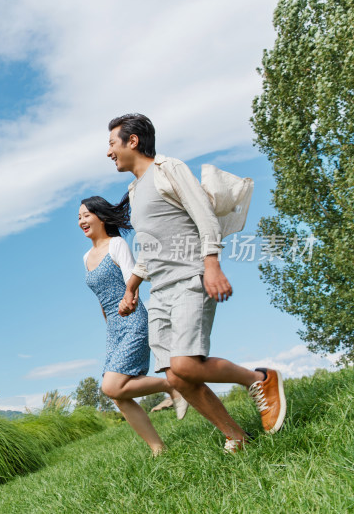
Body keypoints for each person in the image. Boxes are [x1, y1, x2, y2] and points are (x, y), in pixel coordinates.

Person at [107, 113, 286, 452]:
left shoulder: (167, 169)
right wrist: (132, 288)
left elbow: (203, 212)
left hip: (189, 277)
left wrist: (212, 263)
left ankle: (259, 379)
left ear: (133, 141)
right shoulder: (134, 189)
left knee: (186, 364)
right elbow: (148, 248)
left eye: (112, 143)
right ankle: (236, 436)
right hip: (159, 290)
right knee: (176, 377)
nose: (109, 152)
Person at [79, 195, 187, 456]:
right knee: (118, 394)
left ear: (101, 217)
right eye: (79, 217)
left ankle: (172, 386)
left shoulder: (116, 245)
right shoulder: (86, 257)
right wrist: (109, 325)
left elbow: (132, 280)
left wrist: (130, 301)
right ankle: (158, 448)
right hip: (113, 329)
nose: (82, 221)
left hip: (134, 319)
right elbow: (101, 300)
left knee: (111, 386)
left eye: (86, 215)